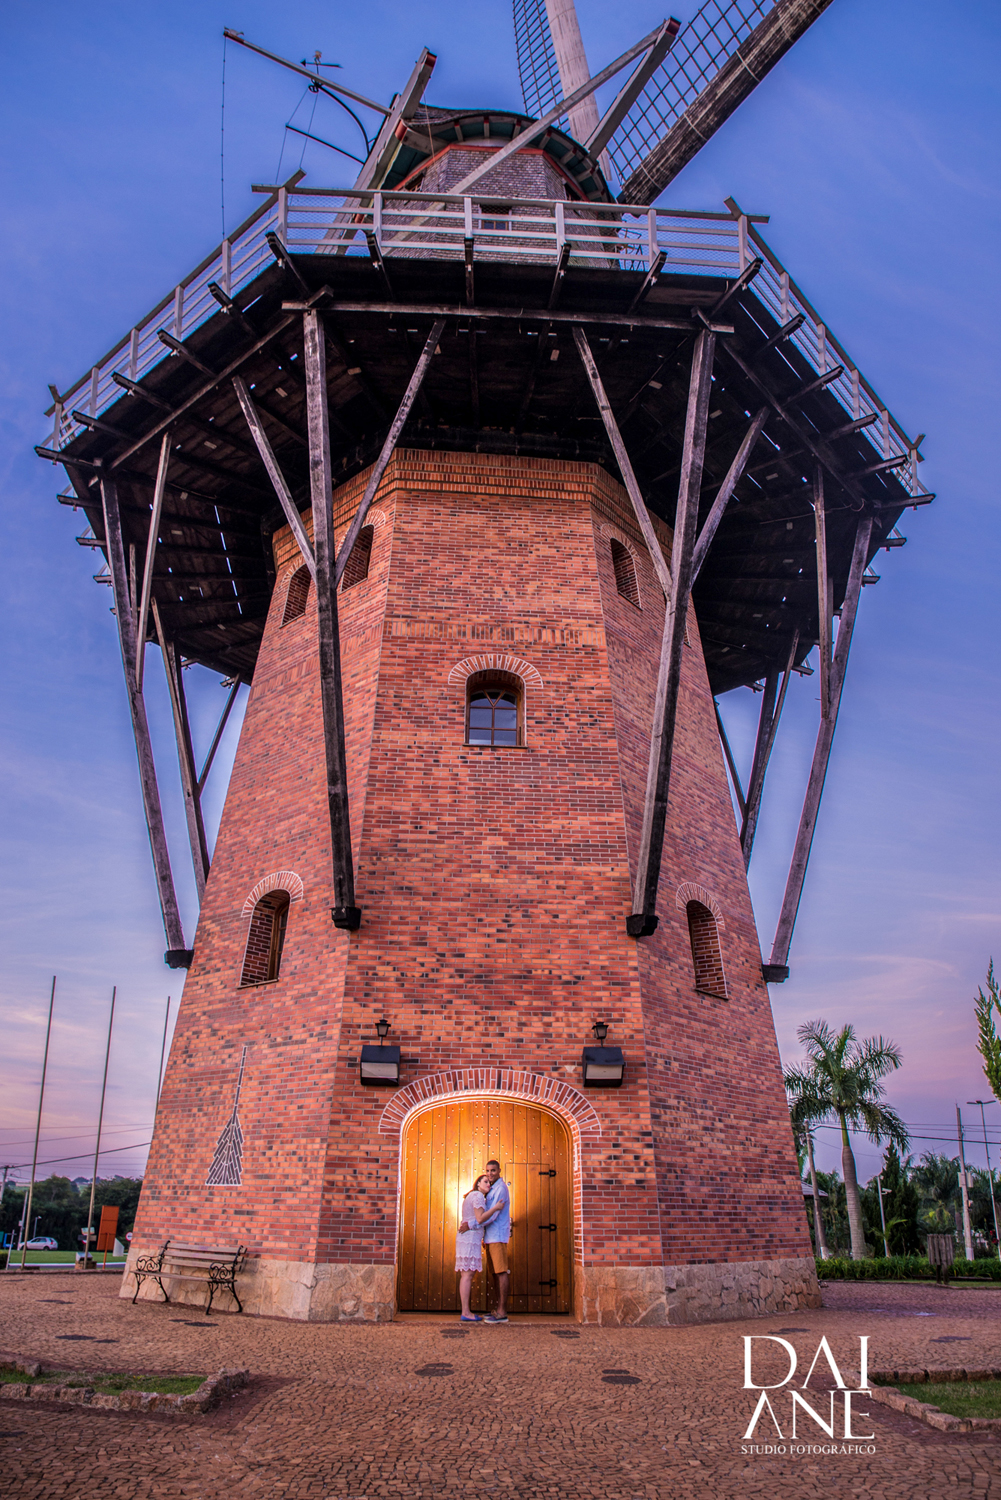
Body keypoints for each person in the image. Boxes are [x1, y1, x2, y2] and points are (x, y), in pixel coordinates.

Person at [455, 1173, 500, 1321]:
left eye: (489, 1182)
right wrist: (496, 1208)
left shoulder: (472, 1196)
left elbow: (474, 1219)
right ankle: (466, 1312)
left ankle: (465, 1311)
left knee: (466, 1275)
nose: (488, 1184)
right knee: (467, 1275)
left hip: (468, 1238)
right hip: (469, 1238)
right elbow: (480, 1218)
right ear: (478, 1183)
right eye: (485, 1181)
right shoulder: (478, 1196)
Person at [481, 1159, 512, 1323]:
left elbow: (492, 1215)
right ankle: (497, 1309)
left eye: (493, 1170)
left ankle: (502, 1312)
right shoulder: (491, 1189)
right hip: (490, 1237)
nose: (490, 1173)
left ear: (499, 1170)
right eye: (487, 1170)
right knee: (495, 1274)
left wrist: (476, 1222)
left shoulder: (500, 1189)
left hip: (498, 1237)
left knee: (501, 1272)